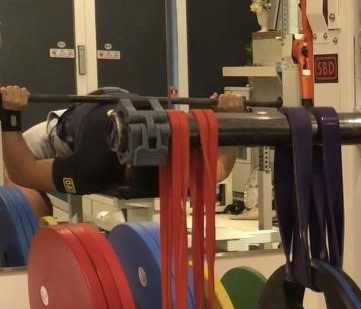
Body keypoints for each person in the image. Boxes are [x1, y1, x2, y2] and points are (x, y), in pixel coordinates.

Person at [1, 86, 244, 217]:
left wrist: (229, 117)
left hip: (114, 107)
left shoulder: (170, 163)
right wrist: (10, 115)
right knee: (30, 205)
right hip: (61, 133)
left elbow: (220, 168)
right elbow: (22, 171)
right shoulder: (93, 165)